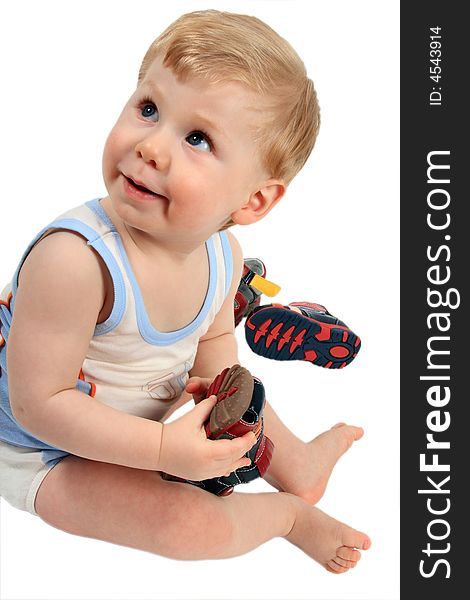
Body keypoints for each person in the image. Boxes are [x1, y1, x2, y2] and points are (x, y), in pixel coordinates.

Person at [0, 9, 370, 571]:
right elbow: (38, 405)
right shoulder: (74, 261)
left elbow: (215, 339)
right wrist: (162, 451)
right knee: (186, 525)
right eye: (149, 109)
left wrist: (220, 400)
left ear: (254, 202)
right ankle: (288, 517)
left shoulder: (224, 256)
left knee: (245, 403)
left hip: (142, 418)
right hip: (35, 447)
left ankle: (297, 465)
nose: (151, 145)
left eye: (197, 138)